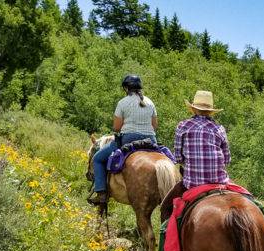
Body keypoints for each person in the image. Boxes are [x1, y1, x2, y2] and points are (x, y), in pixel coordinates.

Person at [88, 75, 159, 206]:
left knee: (97, 159)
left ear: (126, 88)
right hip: (151, 140)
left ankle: (101, 193)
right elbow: (154, 126)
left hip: (128, 140)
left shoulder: (123, 103)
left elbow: (116, 127)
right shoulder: (150, 102)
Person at [160, 90, 228, 218]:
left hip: (192, 183)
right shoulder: (220, 129)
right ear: (210, 111)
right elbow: (227, 159)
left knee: (165, 209)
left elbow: (179, 158)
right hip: (219, 182)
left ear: (194, 109)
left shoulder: (183, 126)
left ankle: (166, 234)